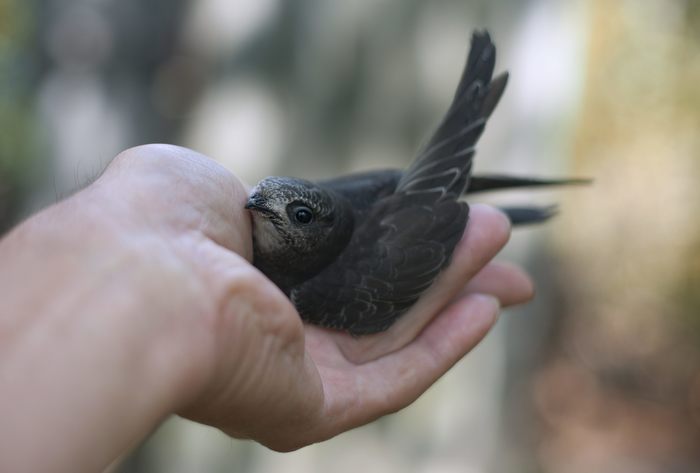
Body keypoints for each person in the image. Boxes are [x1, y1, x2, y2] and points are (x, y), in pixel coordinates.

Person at [0, 144, 534, 472]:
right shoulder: (270, 252)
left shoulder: (325, 289)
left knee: (476, 226)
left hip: (406, 205)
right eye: (264, 194)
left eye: (295, 212)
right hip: (406, 201)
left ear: (317, 230)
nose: (256, 204)